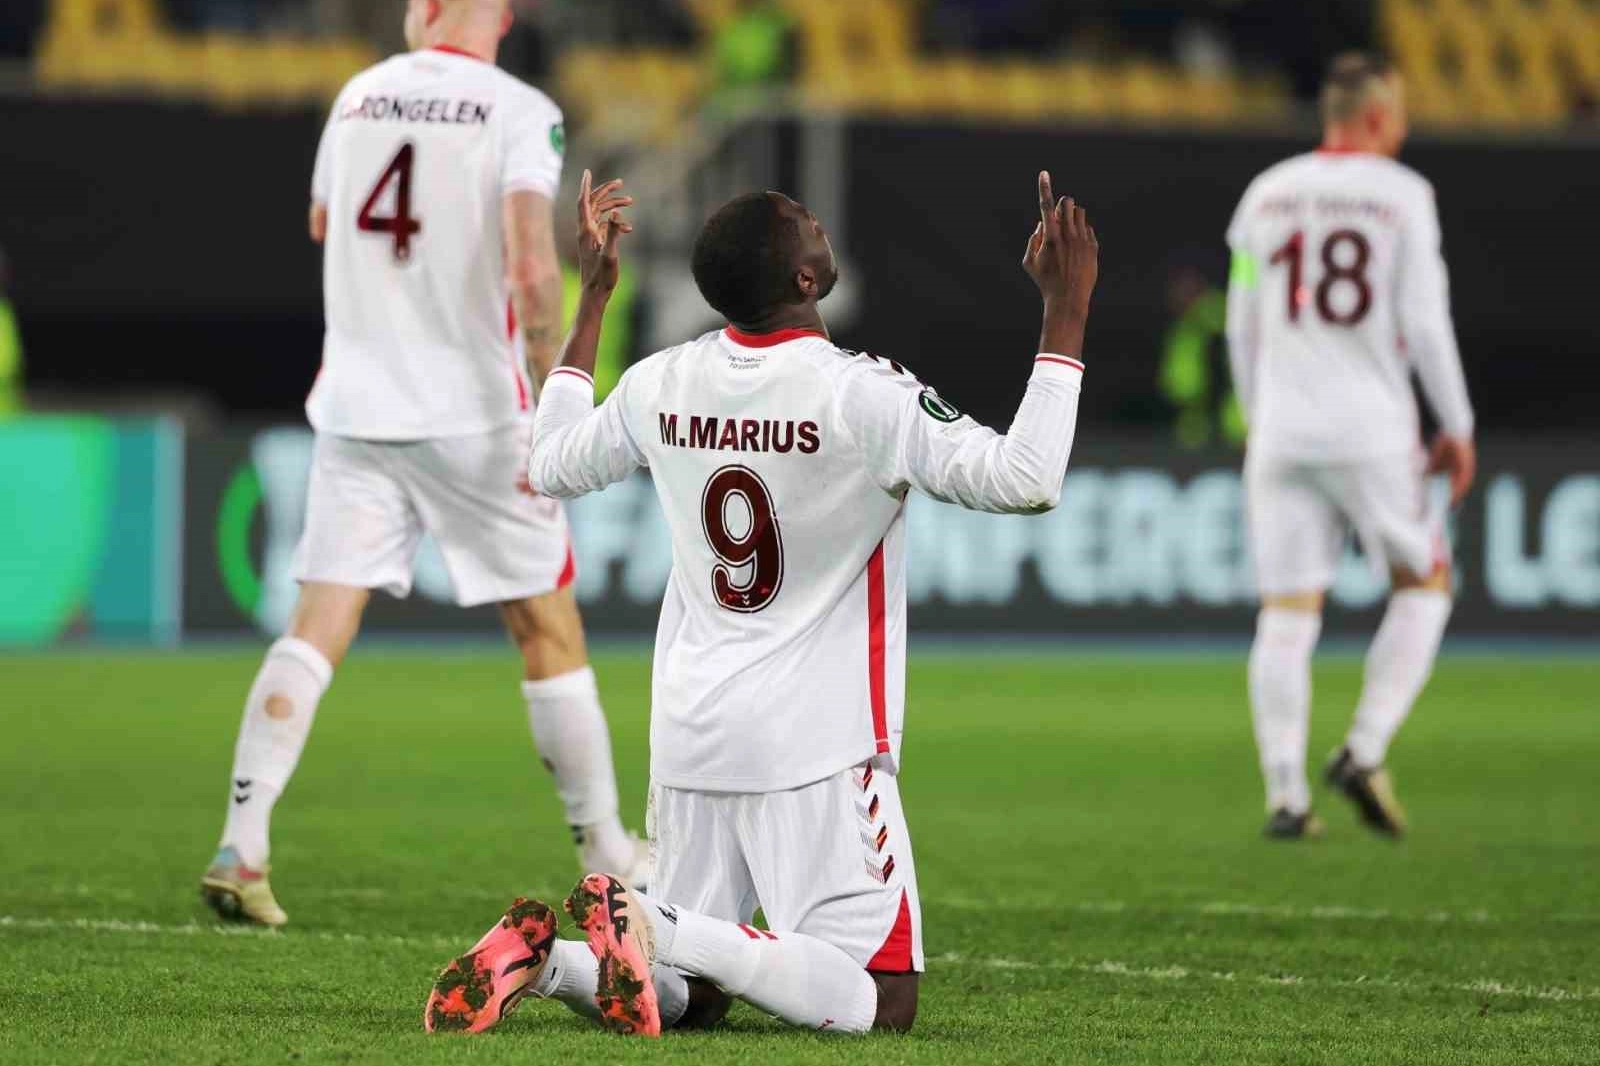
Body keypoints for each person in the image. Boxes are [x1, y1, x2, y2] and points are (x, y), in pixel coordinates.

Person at [422, 169, 1098, 1035]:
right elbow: (1027, 479)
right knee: (882, 1000)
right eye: (806, 221)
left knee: (693, 995)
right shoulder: (861, 394)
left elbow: (549, 462)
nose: (819, 221)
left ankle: (552, 963)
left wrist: (592, 300)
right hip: (815, 744)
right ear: (805, 279)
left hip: (690, 734)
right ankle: (652, 920)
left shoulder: (663, 380)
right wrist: (1066, 309)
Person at [200, 0, 648, 929]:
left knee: (317, 623)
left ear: (433, 9)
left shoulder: (357, 98)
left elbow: (327, 223)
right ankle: (607, 849)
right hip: (474, 413)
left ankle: (242, 841)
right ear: (504, 16)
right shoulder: (520, 110)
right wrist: (551, 404)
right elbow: (533, 271)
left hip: (358, 408)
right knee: (546, 626)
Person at [1224, 52, 1475, 841]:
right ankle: (1363, 750)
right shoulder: (1404, 196)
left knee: (1286, 613)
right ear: (1374, 116)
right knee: (1425, 582)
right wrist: (1457, 424)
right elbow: (1425, 321)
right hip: (1372, 429)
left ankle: (1286, 797)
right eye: (1397, 115)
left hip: (1282, 429)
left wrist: (1258, 416)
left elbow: (1242, 322)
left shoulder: (1265, 194)